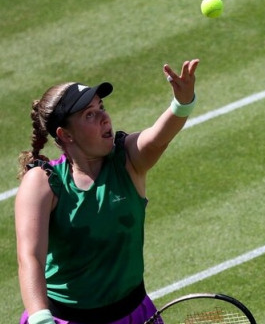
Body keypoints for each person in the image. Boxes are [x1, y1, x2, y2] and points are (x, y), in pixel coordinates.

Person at [15, 59, 200, 324]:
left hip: (134, 316)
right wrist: (41, 318)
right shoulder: (42, 182)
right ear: (65, 134)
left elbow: (158, 137)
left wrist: (182, 102)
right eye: (89, 115)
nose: (104, 117)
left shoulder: (128, 160)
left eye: (101, 107)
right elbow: (30, 257)